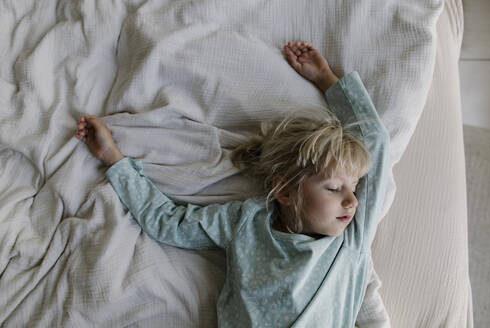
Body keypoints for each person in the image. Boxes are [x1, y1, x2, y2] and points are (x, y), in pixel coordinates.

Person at [75, 41, 391, 327]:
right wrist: (113, 158)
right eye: (335, 188)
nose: (352, 200)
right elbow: (168, 223)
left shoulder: (351, 239)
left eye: (353, 187)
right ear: (285, 191)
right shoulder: (246, 222)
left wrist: (327, 80)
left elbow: (375, 140)